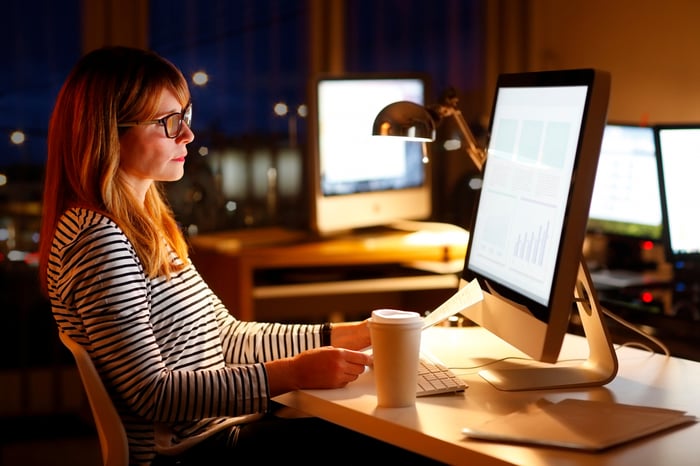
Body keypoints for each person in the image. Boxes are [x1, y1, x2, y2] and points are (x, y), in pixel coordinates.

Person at [38, 46, 441, 465]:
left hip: (220, 432)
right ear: (109, 131)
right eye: (168, 122)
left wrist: (344, 335)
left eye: (185, 118)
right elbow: (152, 395)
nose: (187, 136)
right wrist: (293, 373)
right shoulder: (98, 241)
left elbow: (224, 337)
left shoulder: (144, 224)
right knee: (401, 440)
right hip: (195, 452)